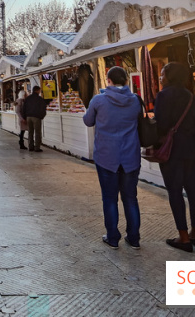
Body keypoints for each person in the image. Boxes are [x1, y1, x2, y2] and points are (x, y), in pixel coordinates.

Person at [82, 66, 143, 250]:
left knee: (109, 198)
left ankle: (113, 237)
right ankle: (134, 237)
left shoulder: (98, 100)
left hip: (107, 156)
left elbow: (88, 121)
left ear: (108, 80)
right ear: (126, 80)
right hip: (130, 156)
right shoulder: (135, 101)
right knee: (130, 198)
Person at [156, 62, 195, 253]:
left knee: (175, 191)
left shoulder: (164, 96)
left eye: (162, 74)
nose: (160, 78)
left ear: (169, 76)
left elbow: (161, 124)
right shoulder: (191, 96)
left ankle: (183, 237)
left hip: (172, 150)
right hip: (190, 148)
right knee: (193, 190)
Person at [22, 86, 47, 152]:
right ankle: (37, 147)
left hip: (28, 117)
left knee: (30, 132)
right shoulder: (40, 99)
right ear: (38, 90)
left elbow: (24, 108)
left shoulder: (28, 98)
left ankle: (30, 146)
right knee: (37, 132)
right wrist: (41, 116)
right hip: (36, 117)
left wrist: (24, 117)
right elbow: (43, 108)